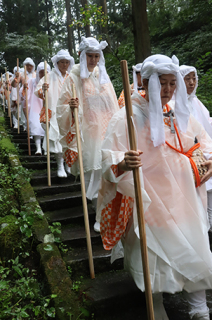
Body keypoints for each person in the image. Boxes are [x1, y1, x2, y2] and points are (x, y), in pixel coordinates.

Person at [98, 54, 212, 320]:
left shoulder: (176, 111)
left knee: (194, 244)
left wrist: (208, 159)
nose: (169, 90)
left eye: (173, 83)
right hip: (148, 199)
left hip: (183, 196)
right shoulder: (127, 116)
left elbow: (203, 141)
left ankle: (199, 307)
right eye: (163, 83)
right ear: (147, 82)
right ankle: (156, 305)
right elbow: (108, 156)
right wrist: (123, 162)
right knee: (154, 255)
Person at [56, 36, 120, 232]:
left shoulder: (102, 75)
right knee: (94, 174)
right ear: (83, 56)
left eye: (96, 56)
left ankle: (103, 213)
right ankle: (97, 211)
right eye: (90, 56)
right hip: (87, 133)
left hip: (107, 131)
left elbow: (112, 104)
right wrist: (71, 107)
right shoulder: (73, 77)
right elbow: (61, 107)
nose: (93, 60)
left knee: (107, 172)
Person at [180, 65, 212, 233]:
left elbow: (206, 126)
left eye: (194, 78)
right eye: (187, 79)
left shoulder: (196, 102)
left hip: (208, 155)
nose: (192, 82)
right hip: (194, 161)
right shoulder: (176, 104)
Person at [34, 50, 75, 177]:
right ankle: (60, 166)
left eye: (67, 62)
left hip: (69, 112)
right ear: (57, 63)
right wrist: (43, 89)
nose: (64, 65)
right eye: (62, 62)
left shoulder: (71, 77)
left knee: (69, 140)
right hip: (55, 112)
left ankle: (68, 164)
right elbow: (38, 91)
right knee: (57, 139)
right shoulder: (49, 76)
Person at [20, 62, 51, 154]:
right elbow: (22, 94)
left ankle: (46, 148)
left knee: (47, 128)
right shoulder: (31, 81)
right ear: (38, 72)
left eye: (46, 72)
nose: (43, 74)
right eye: (41, 72)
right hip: (35, 107)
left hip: (47, 108)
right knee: (35, 126)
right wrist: (24, 88)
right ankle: (38, 148)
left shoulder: (51, 82)